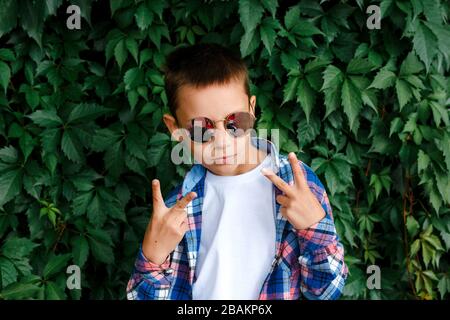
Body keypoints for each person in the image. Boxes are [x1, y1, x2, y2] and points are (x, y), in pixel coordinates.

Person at [126, 43, 348, 300]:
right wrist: (153, 257)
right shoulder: (179, 207)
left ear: (252, 109)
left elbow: (326, 291)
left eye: (235, 122)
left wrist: (313, 227)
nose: (222, 141)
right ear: (174, 128)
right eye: (200, 129)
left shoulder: (296, 185)